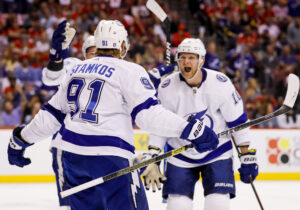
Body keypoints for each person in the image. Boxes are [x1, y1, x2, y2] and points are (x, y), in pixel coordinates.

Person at [7, 20, 219, 210]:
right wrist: (191, 129)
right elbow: (147, 115)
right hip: (111, 157)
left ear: (97, 45)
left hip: (73, 159)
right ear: (123, 46)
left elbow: (51, 116)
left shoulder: (76, 70)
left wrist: (20, 140)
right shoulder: (130, 70)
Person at [141, 38, 259, 210]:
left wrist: (246, 155)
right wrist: (153, 157)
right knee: (177, 206)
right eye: (182, 57)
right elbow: (160, 125)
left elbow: (237, 122)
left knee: (217, 204)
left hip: (217, 151)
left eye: (191, 57)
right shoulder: (167, 87)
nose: (186, 62)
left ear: (201, 60)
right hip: (180, 154)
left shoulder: (221, 83)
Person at [42, 21, 97, 208]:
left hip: (100, 147)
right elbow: (51, 77)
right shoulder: (74, 66)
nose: (96, 55)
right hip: (67, 145)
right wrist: (56, 58)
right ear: (84, 54)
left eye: (101, 50)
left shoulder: (117, 73)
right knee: (70, 203)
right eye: (92, 51)